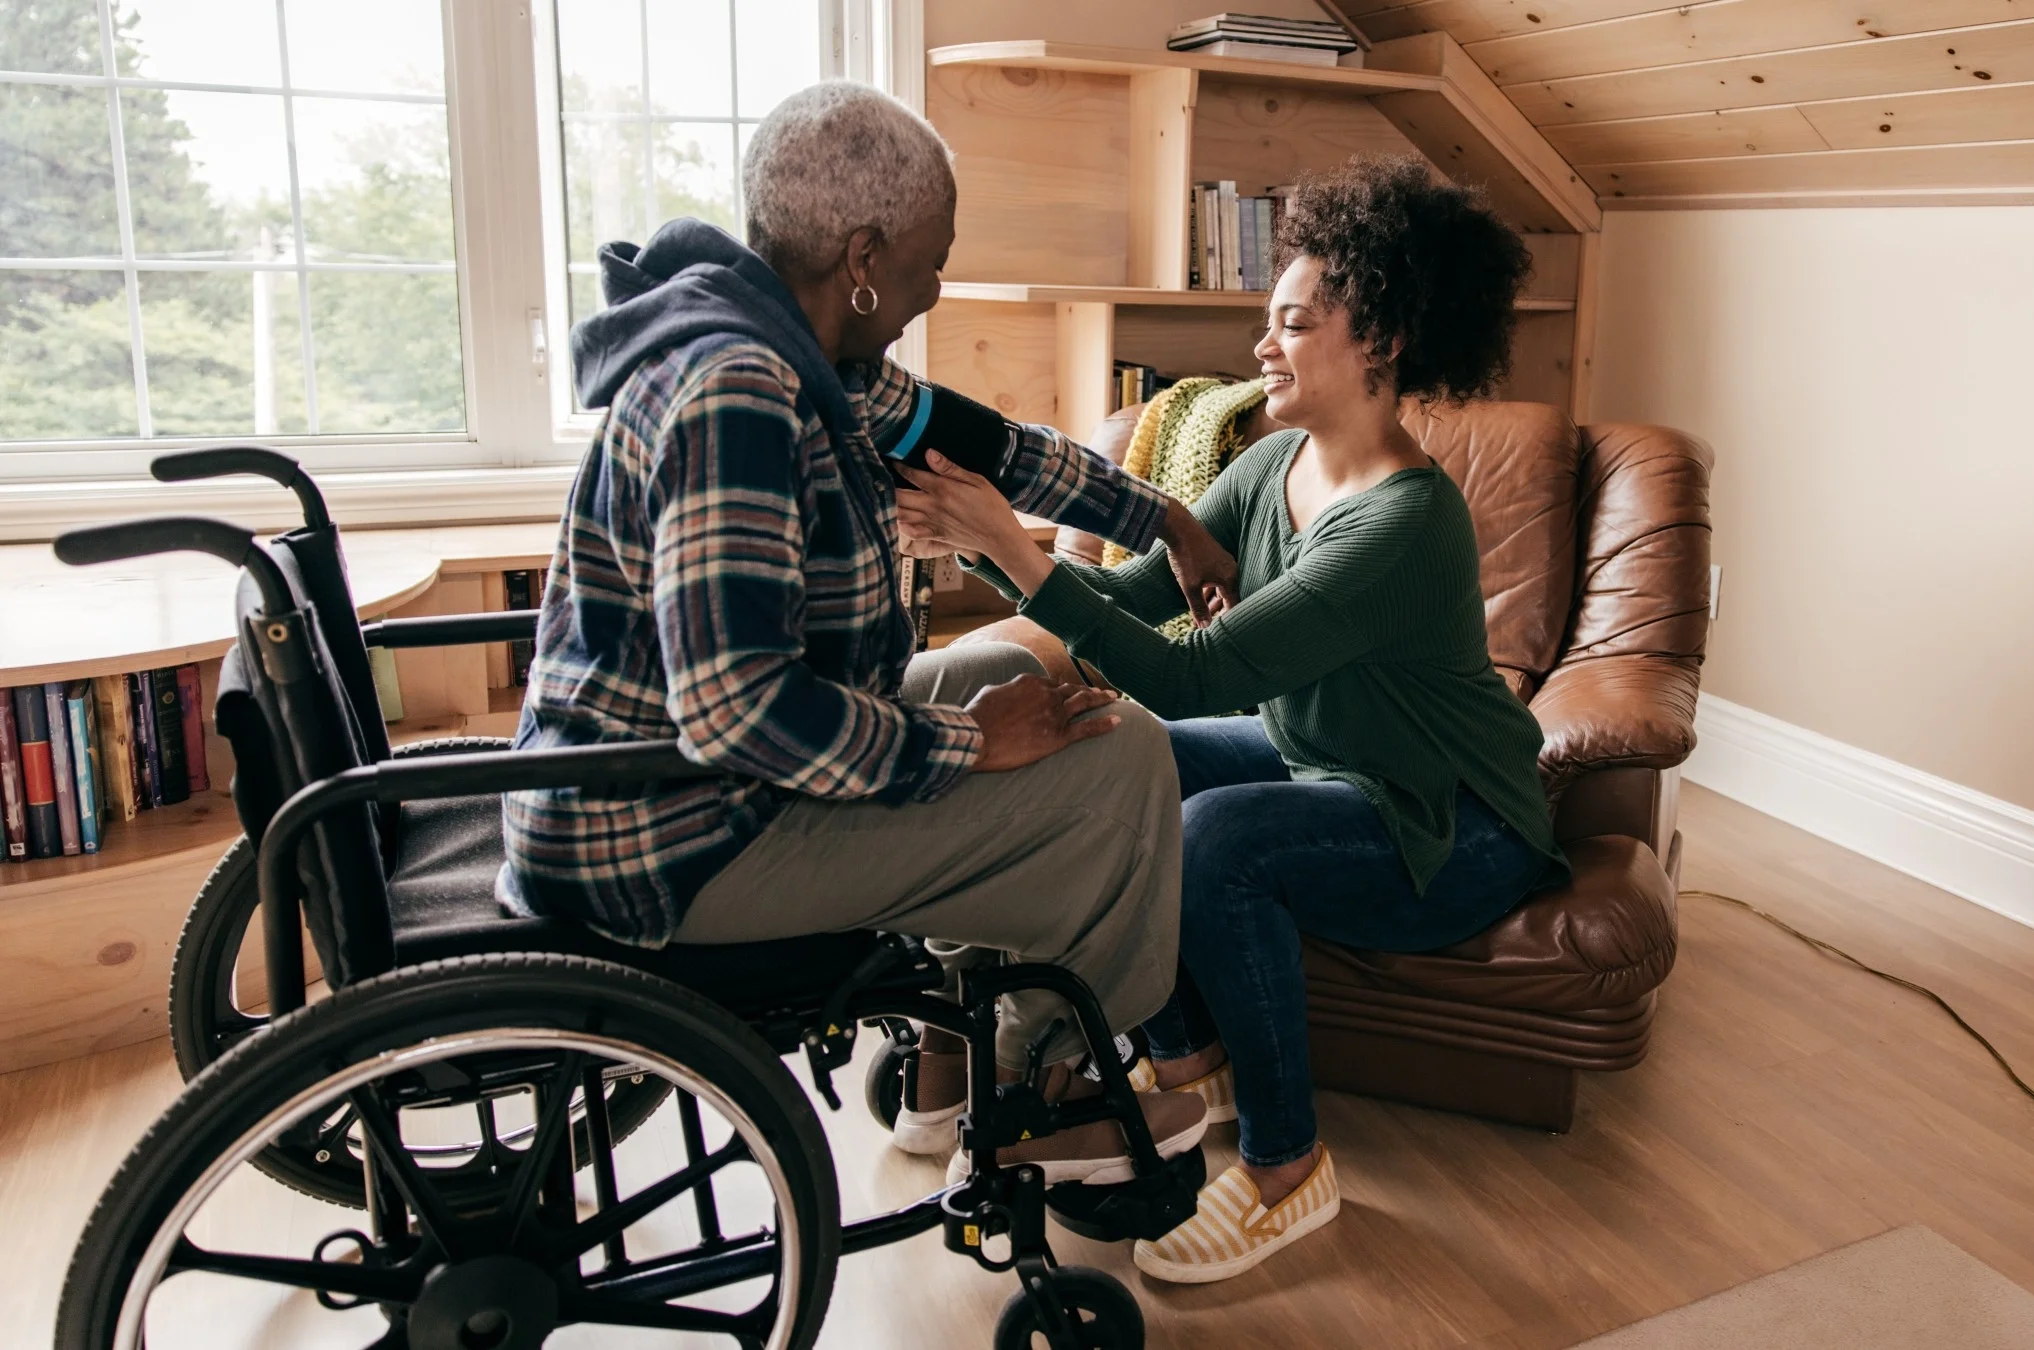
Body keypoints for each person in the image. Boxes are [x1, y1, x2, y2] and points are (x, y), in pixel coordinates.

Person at [501, 81, 1239, 1183]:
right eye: (931, 258)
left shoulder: (796, 350)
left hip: (675, 793)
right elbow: (739, 709)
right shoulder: (736, 391)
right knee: (1118, 752)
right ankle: (1050, 1089)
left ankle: (951, 1059)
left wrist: (1163, 516)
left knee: (999, 664)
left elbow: (983, 447)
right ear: (863, 254)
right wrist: (973, 745)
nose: (933, 284)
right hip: (675, 846)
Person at [895, 155, 1571, 1281]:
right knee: (1118, 753)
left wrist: (1008, 547)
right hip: (1327, 763)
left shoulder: (1402, 524)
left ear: (1385, 343)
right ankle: (1186, 1057)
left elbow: (1195, 676)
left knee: (1217, 841)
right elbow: (1126, 608)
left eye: (1295, 322)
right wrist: (992, 545)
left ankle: (1285, 1170)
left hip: (1451, 826)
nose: (1263, 346)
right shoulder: (1271, 466)